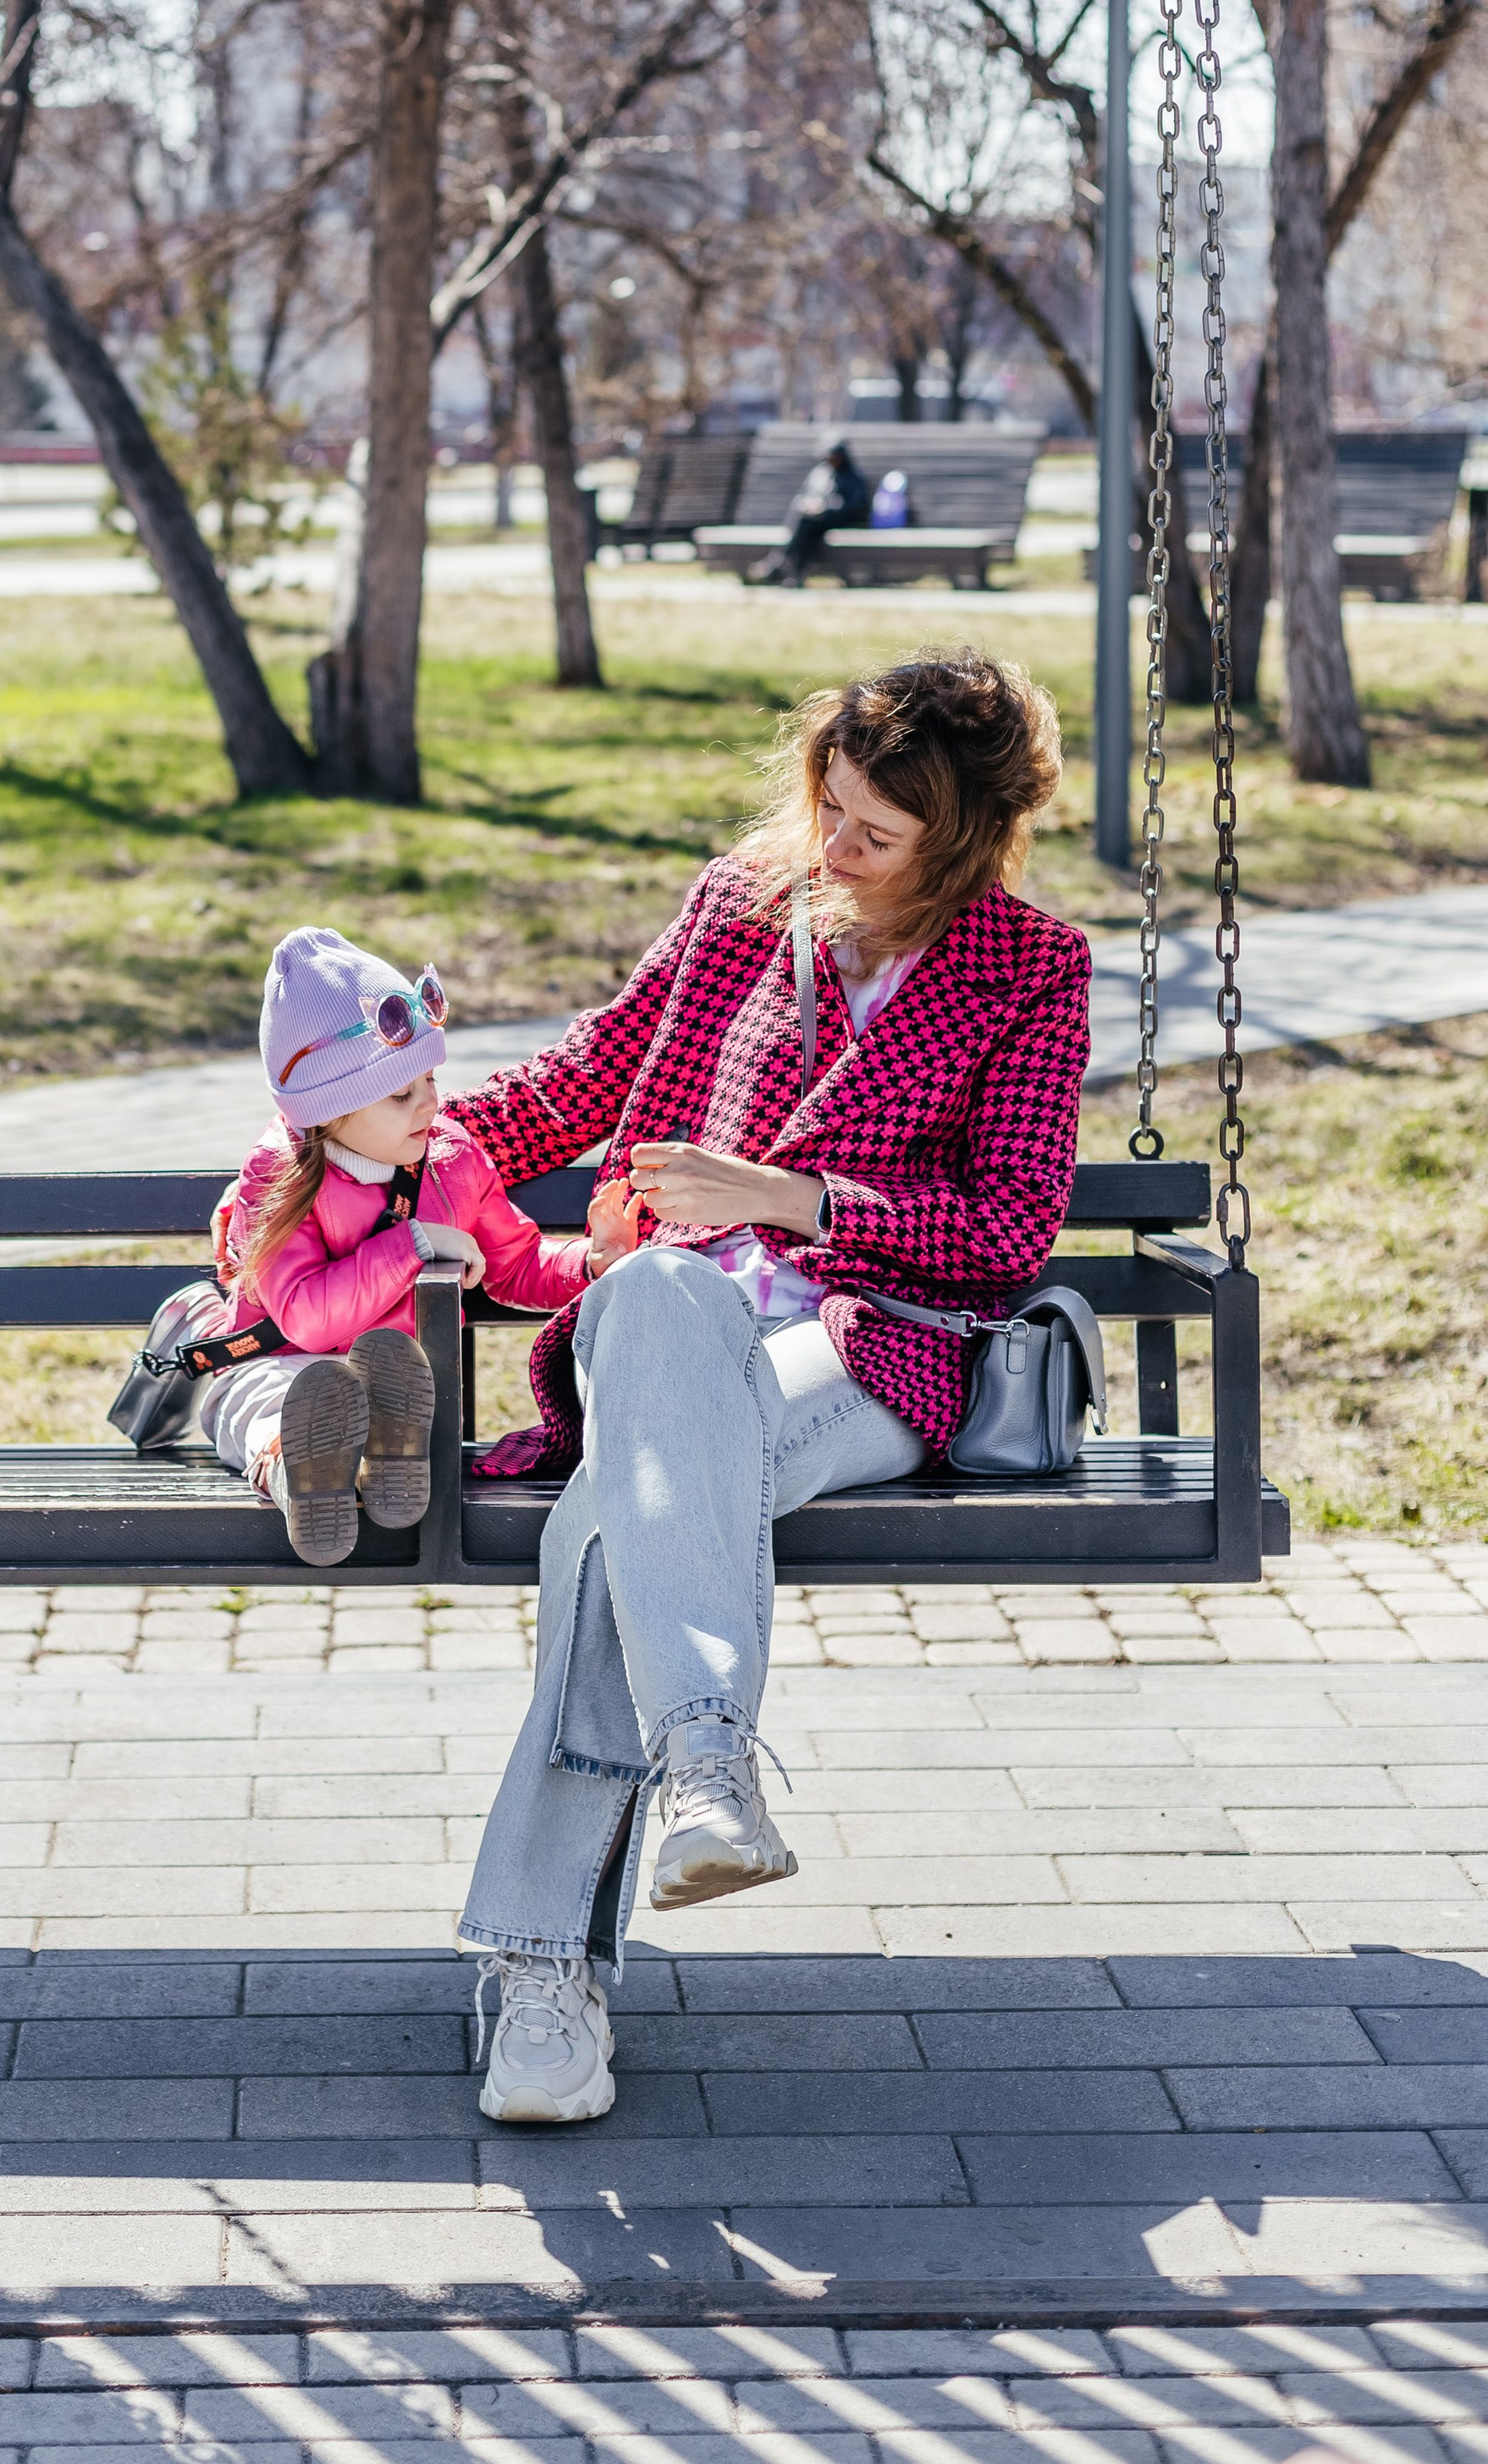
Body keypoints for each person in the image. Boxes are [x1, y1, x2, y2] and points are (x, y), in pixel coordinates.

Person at [444, 650, 1090, 2126]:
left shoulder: (1028, 968)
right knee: (661, 1290)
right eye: (830, 805)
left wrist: (793, 1199)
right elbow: (579, 1075)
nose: (835, 847)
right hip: (676, 1322)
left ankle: (543, 1977)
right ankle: (708, 1771)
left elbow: (1002, 1232)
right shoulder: (742, 903)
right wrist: (367, 1134)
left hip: (867, 1346)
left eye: (875, 833)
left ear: (964, 845)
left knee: (615, 1516)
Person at [198, 927, 642, 1565]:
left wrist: (593, 1260)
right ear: (329, 1113)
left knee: (385, 1392)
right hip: (281, 1362)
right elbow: (303, 1317)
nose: (432, 1102)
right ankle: (304, 1475)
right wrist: (413, 1244)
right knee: (264, 1400)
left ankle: (380, 1456)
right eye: (402, 1093)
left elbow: (516, 1263)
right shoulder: (282, 1174)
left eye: (431, 1078)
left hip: (399, 1384)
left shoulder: (451, 1160)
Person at [772, 439, 870, 586]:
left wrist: (825, 509)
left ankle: (781, 563)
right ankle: (793, 574)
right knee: (805, 527)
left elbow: (854, 506)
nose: (831, 460)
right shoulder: (820, 472)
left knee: (805, 525)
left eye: (834, 457)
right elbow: (805, 493)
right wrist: (808, 504)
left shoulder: (852, 476)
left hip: (839, 520)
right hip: (815, 522)